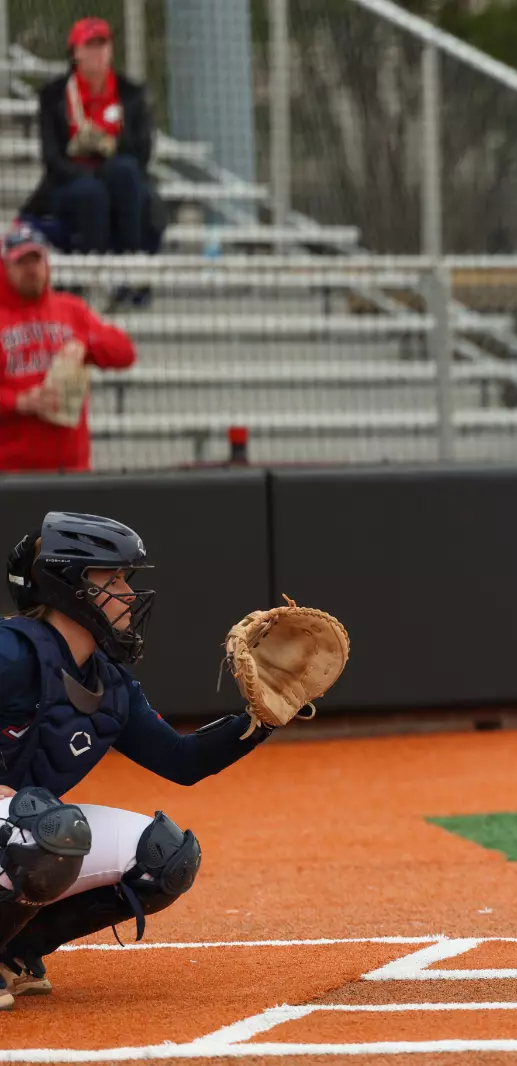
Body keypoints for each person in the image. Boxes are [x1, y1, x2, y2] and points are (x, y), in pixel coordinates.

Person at [0, 512, 278, 1011]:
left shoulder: (108, 682)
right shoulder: (12, 652)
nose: (128, 594)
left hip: (17, 827)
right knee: (43, 826)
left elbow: (182, 760)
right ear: (70, 587)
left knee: (164, 858)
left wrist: (264, 717)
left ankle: (13, 953)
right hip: (15, 823)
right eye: (113, 579)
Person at [20, 17, 164, 309]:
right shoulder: (54, 95)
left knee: (124, 173)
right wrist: (90, 170)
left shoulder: (130, 94)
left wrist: (108, 144)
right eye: (90, 45)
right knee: (90, 192)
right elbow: (51, 158)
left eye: (103, 44)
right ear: (75, 52)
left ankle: (131, 266)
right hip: (69, 179)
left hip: (121, 179)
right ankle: (83, 280)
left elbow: (142, 153)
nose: (98, 52)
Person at [0, 224, 136, 472]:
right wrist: (19, 402)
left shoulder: (72, 310)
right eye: (21, 262)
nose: (31, 270)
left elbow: (125, 353)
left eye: (36, 259)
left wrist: (87, 343)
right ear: (5, 267)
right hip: (10, 470)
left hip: (70, 466)